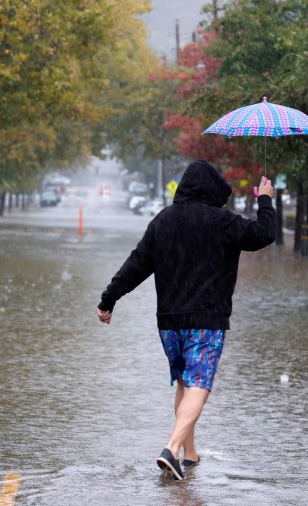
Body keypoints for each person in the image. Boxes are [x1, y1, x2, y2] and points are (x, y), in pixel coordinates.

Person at [95, 160, 276, 480]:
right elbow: (264, 233)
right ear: (212, 189)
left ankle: (189, 455)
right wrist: (264, 198)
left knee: (184, 382)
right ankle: (172, 448)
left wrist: (109, 299)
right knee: (200, 384)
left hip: (169, 322)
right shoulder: (224, 221)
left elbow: (136, 265)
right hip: (206, 320)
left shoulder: (163, 221)